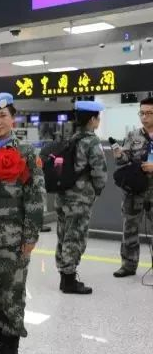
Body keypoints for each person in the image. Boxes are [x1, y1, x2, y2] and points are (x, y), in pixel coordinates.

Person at [0, 93, 44, 354]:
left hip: (14, 237)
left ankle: (13, 348)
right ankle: (2, 339)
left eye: (2, 116)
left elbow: (36, 196)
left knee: (12, 294)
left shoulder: (27, 152)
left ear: (12, 118)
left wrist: (30, 236)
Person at [55, 101, 107, 293]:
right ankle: (69, 281)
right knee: (75, 237)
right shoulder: (92, 141)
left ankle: (64, 277)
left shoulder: (71, 139)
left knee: (63, 235)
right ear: (92, 119)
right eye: (98, 118)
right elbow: (100, 172)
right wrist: (97, 189)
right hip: (80, 198)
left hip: (63, 196)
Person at [113, 97, 153, 277]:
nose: (144, 117)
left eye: (149, 113)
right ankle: (128, 265)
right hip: (135, 189)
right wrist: (119, 154)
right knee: (130, 226)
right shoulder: (133, 136)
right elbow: (124, 160)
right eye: (141, 113)